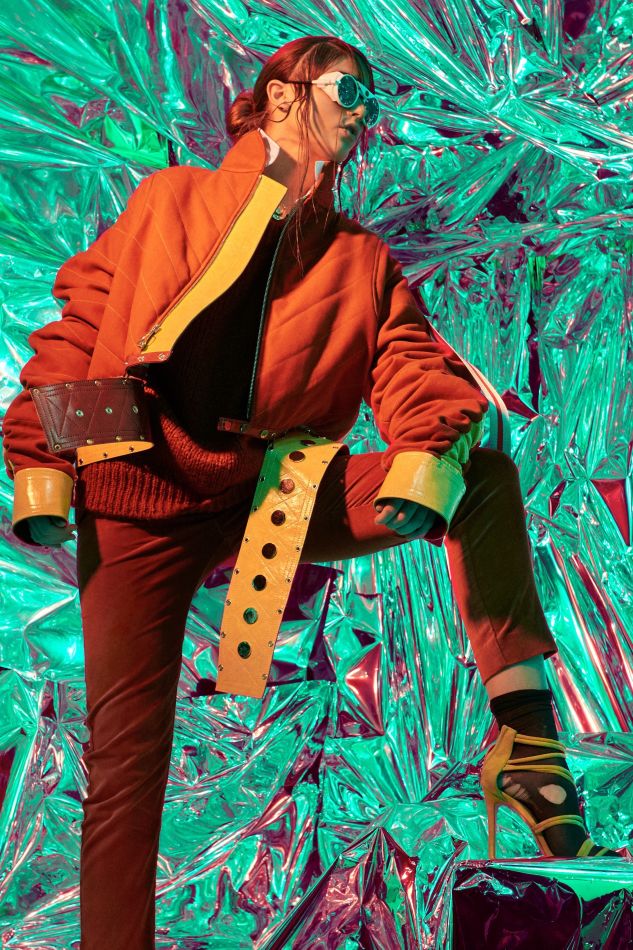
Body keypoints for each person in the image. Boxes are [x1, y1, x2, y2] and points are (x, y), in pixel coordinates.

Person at [1, 33, 622, 950]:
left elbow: (412, 368)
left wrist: (425, 455)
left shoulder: (356, 258)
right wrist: (42, 463)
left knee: (481, 477)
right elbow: (80, 326)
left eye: (370, 98)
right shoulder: (170, 199)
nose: (363, 112)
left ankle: (528, 748)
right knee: (127, 762)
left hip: (270, 493)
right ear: (282, 95)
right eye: (346, 90)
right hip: (138, 488)